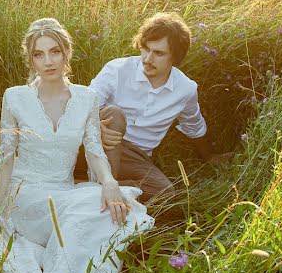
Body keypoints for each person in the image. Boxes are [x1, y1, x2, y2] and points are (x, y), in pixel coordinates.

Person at [0, 18, 154, 273]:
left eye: (55, 52)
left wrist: (109, 183)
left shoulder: (86, 98)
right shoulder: (15, 97)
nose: (48, 61)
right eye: (39, 54)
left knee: (113, 209)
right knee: (82, 216)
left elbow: (94, 151)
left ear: (67, 54)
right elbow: (6, 157)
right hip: (25, 194)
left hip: (62, 191)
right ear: (30, 59)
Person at [85, 12, 232, 217]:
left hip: (136, 157)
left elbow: (194, 126)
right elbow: (80, 106)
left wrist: (208, 156)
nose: (148, 59)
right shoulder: (117, 69)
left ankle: (89, 186)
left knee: (165, 193)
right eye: (145, 49)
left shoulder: (185, 89)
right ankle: (106, 187)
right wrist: (96, 127)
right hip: (102, 142)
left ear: (175, 57)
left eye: (159, 53)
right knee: (115, 114)